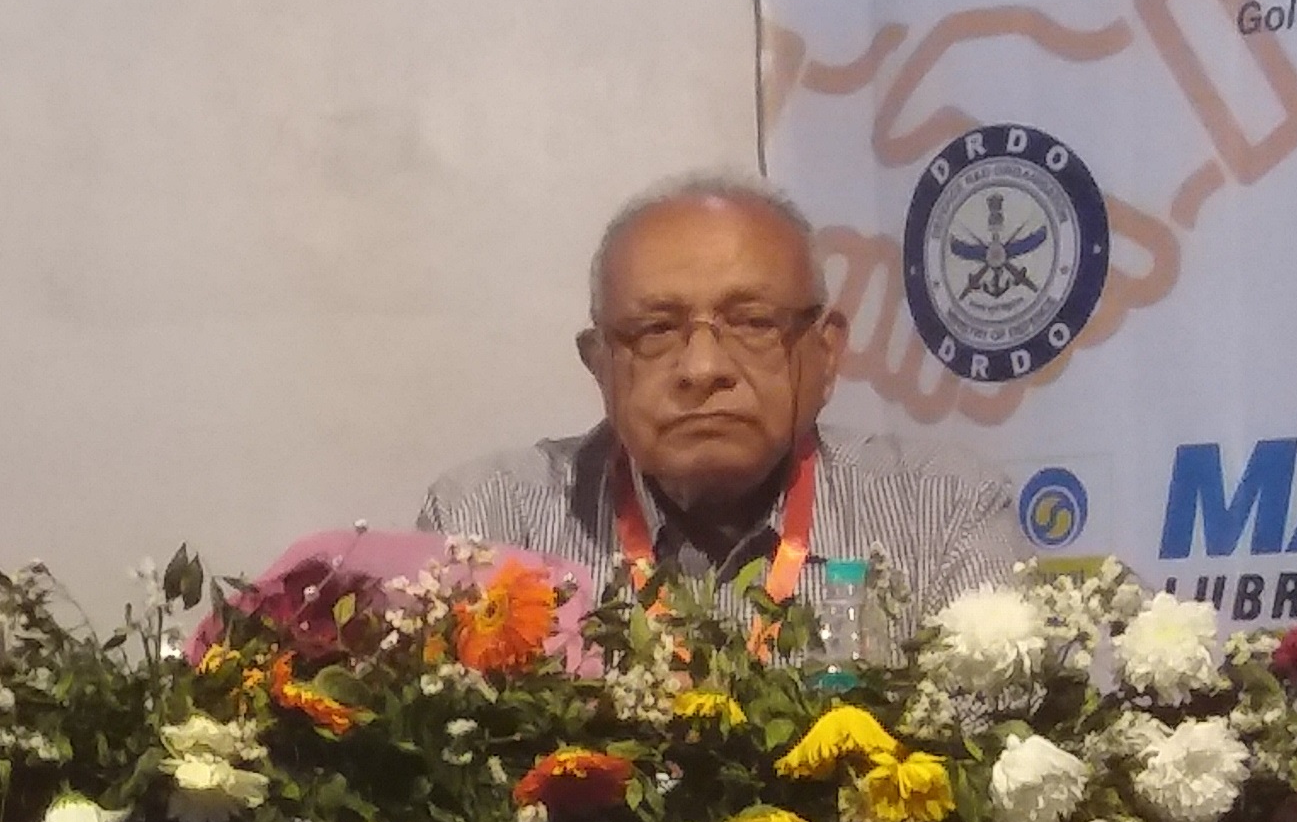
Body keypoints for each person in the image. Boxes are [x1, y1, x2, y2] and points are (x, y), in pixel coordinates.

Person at [414, 173, 1014, 642]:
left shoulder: (943, 514)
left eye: (753, 323)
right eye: (655, 330)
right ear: (600, 364)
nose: (702, 369)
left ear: (826, 353)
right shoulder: (487, 526)